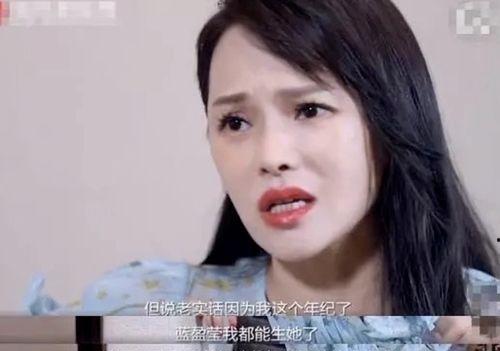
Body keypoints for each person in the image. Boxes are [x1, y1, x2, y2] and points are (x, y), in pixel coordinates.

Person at [26, 0, 498, 318]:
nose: (271, 156)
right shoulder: (139, 312)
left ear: (391, 118)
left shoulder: (485, 324)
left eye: (309, 110)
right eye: (235, 122)